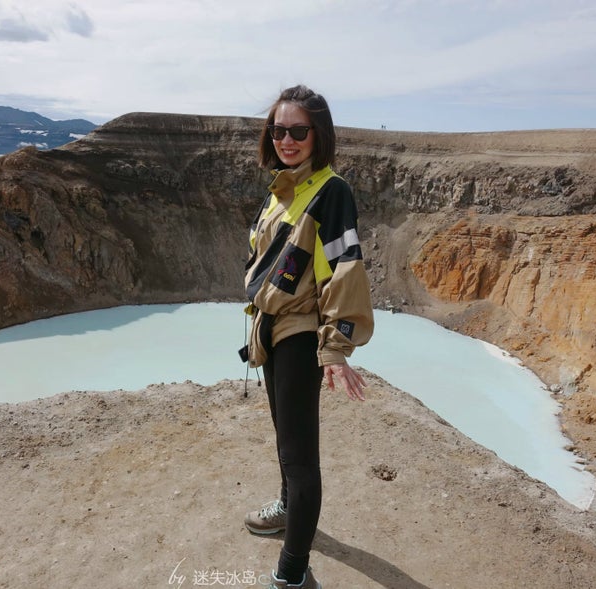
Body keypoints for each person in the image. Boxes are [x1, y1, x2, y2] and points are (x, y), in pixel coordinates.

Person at [242, 85, 374, 589]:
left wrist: (336, 347)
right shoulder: (284, 190)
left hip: (300, 337)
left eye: (299, 131)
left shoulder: (329, 191)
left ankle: (292, 575)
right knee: (285, 443)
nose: (287, 139)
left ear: (318, 135)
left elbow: (346, 267)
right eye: (279, 130)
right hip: (273, 331)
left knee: (301, 460)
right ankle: (285, 511)